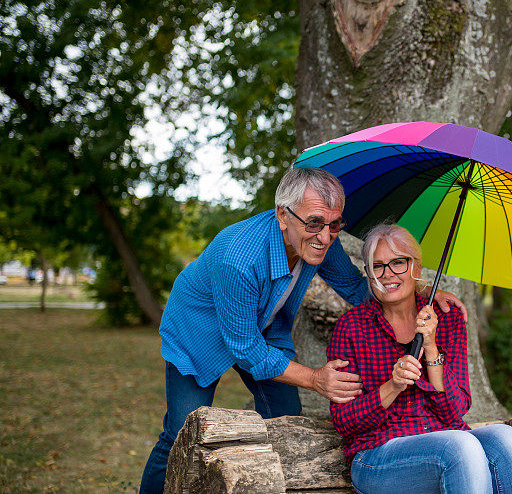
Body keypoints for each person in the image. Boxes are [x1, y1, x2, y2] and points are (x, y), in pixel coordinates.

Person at [140, 168, 466, 493]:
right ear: (283, 215)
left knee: (285, 416)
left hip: (261, 331)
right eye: (314, 223)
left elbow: (355, 287)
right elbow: (245, 348)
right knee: (179, 433)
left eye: (334, 224)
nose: (324, 236)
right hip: (199, 331)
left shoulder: (318, 239)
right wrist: (315, 379)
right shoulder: (238, 259)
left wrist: (419, 291)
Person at [327, 224, 512, 494]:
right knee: (460, 447)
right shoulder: (352, 327)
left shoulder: (448, 318)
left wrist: (432, 347)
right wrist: (392, 386)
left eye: (398, 262)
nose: (387, 274)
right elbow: (344, 421)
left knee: (509, 440)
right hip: (378, 455)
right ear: (368, 275)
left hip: (447, 441)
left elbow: (456, 411)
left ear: (417, 268)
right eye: (377, 266)